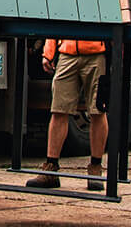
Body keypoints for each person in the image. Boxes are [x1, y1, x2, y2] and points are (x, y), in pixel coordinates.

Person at [27, 35, 108, 189]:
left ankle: (96, 169)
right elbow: (58, 16)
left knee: (98, 111)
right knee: (58, 110)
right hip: (67, 53)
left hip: (98, 54)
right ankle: (50, 170)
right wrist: (49, 52)